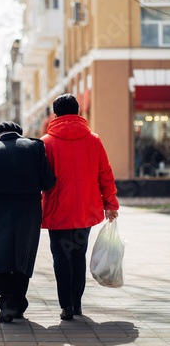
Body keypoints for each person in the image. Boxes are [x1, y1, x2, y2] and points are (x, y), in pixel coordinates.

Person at [0, 121, 56, 323]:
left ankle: (9, 302)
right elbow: (47, 182)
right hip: (29, 210)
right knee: (23, 258)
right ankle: (16, 304)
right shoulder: (35, 147)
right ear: (20, 135)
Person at [41, 94, 119, 321]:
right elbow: (105, 174)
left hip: (58, 211)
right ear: (78, 112)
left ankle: (66, 305)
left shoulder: (46, 143)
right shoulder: (94, 140)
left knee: (61, 257)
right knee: (78, 255)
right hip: (86, 209)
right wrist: (111, 204)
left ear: (55, 115)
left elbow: (42, 179)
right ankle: (77, 304)